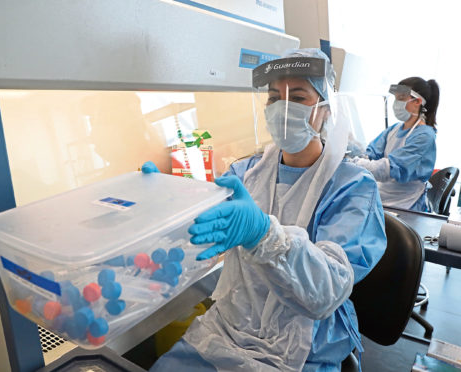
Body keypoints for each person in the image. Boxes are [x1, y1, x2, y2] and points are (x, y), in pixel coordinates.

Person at [143, 48, 386, 371]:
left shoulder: (352, 188)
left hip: (306, 342)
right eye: (274, 98)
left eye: (297, 98)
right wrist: (164, 201)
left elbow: (327, 290)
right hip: (231, 326)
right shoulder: (247, 173)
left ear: (325, 110)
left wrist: (264, 235)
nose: (282, 109)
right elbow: (203, 223)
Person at [353, 77, 440, 212]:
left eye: (401, 98)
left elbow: (391, 169)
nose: (396, 104)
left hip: (406, 204)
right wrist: (351, 150)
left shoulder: (424, 136)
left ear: (417, 101)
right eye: (395, 98)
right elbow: (371, 155)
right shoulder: (394, 130)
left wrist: (355, 163)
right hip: (384, 198)